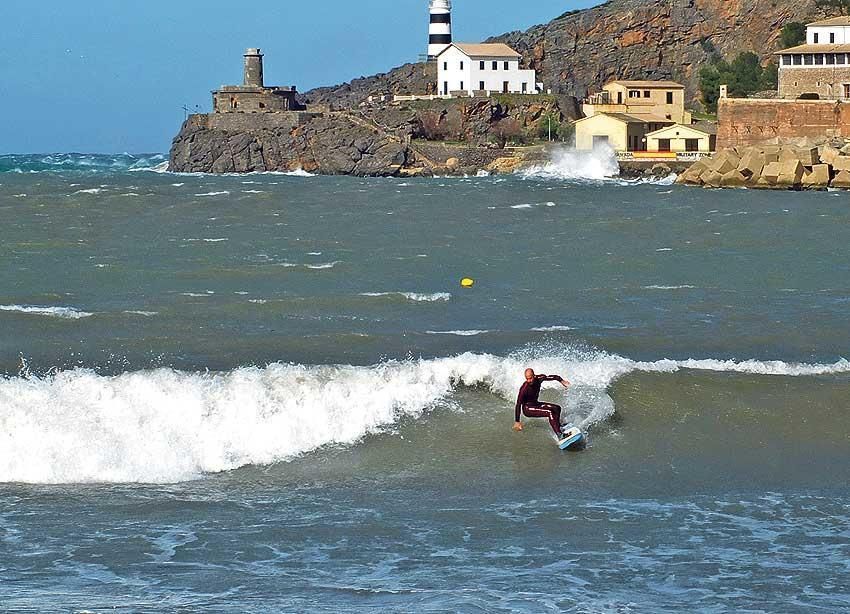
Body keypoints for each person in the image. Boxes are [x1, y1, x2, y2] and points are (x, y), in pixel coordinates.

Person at [513, 368, 570, 437]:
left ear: (534, 375)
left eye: (530, 378)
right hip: (527, 409)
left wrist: (562, 381)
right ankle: (559, 434)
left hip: (535, 404)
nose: (529, 381)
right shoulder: (524, 389)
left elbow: (553, 377)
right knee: (549, 412)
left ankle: (558, 426)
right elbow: (518, 404)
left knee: (557, 408)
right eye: (527, 379)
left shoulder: (539, 378)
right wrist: (517, 421)